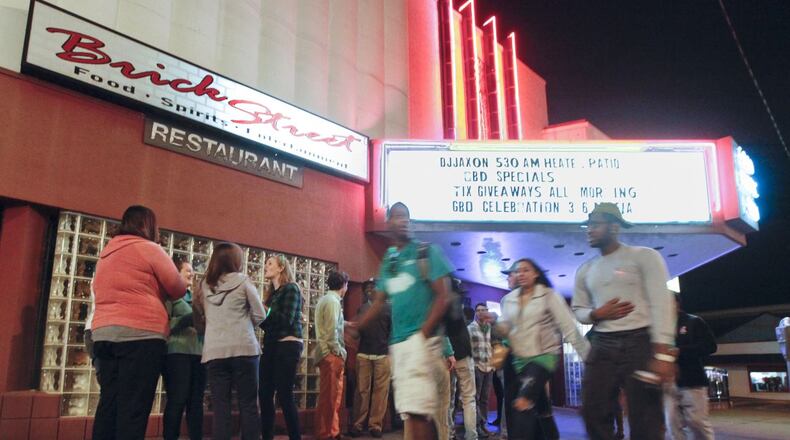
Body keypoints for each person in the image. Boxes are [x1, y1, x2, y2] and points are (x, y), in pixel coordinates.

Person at [572, 202, 677, 440]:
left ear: (614, 227)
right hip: (602, 343)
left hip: (641, 342)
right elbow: (578, 309)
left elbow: (661, 303)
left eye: (595, 225)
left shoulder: (644, 256)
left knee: (646, 417)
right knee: (592, 411)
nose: (589, 230)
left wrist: (663, 355)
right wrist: (596, 314)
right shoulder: (585, 269)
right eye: (588, 225)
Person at [357, 202, 453, 440]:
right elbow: (379, 301)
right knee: (413, 412)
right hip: (399, 346)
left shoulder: (426, 252)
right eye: (398, 216)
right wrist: (355, 326)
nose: (403, 221)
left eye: (406, 217)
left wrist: (421, 336)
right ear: (388, 222)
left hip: (421, 342)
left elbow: (444, 296)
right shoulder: (390, 260)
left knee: (419, 412)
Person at [91, 205, 187, 440]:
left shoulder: (107, 253)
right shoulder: (149, 248)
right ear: (148, 225)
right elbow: (178, 287)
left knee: (109, 404)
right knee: (133, 407)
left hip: (103, 334)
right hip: (140, 335)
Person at [488, 258, 589, 440]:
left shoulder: (549, 296)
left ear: (536, 273)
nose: (521, 274)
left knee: (523, 402)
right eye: (518, 271)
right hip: (518, 360)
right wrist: (497, 325)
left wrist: (590, 359)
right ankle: (550, 435)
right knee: (535, 407)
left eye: (526, 270)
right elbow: (506, 327)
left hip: (543, 358)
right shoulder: (509, 299)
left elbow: (569, 328)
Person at [193, 242, 265, 440]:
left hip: (214, 351)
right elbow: (260, 314)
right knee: (248, 404)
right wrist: (245, 324)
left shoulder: (203, 285)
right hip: (244, 348)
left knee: (220, 406)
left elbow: (199, 318)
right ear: (235, 261)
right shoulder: (243, 281)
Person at [259, 254, 304, 440]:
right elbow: (267, 324)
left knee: (284, 394)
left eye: (270, 263)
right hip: (271, 345)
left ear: (281, 268)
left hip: (288, 345)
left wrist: (264, 311)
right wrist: (262, 314)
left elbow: (286, 320)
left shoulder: (291, 288)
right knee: (264, 393)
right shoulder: (272, 296)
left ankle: (295, 436)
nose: (266, 266)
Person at [162, 259, 206, 440]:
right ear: (176, 272)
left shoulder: (196, 297)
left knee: (196, 402)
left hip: (199, 353)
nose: (192, 273)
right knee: (177, 400)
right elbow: (163, 323)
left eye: (192, 270)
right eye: (187, 270)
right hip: (177, 354)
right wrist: (185, 320)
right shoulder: (169, 295)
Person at [664, 293, 717, 440]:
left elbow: (710, 346)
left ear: (676, 303)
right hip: (668, 383)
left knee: (697, 421)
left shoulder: (693, 321)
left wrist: (680, 351)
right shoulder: (660, 328)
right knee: (673, 424)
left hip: (692, 380)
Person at [350, 279, 391, 438]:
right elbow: (357, 332)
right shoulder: (363, 308)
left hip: (382, 354)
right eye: (367, 287)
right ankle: (358, 424)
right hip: (364, 354)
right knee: (362, 391)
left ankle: (375, 425)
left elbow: (392, 332)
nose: (369, 289)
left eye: (373, 287)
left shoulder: (389, 308)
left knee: (380, 393)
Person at [315, 270, 351, 440]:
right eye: (347, 285)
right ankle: (328, 433)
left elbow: (330, 324)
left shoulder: (326, 299)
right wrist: (339, 352)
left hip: (326, 353)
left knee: (329, 396)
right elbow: (331, 332)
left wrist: (347, 324)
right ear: (343, 285)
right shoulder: (333, 302)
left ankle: (331, 431)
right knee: (331, 397)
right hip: (331, 354)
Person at [446, 279, 478, 440]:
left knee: (448, 399)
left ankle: (449, 434)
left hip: (447, 356)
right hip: (464, 354)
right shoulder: (458, 304)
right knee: (468, 398)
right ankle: (471, 436)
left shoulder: (437, 303)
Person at [468, 303, 495, 438]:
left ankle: (483, 425)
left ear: (487, 311)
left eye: (483, 310)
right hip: (476, 367)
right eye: (478, 310)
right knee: (475, 398)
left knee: (484, 399)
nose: (480, 312)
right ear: (475, 313)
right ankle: (476, 426)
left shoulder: (490, 327)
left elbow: (492, 346)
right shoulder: (470, 328)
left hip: (489, 367)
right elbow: (467, 349)